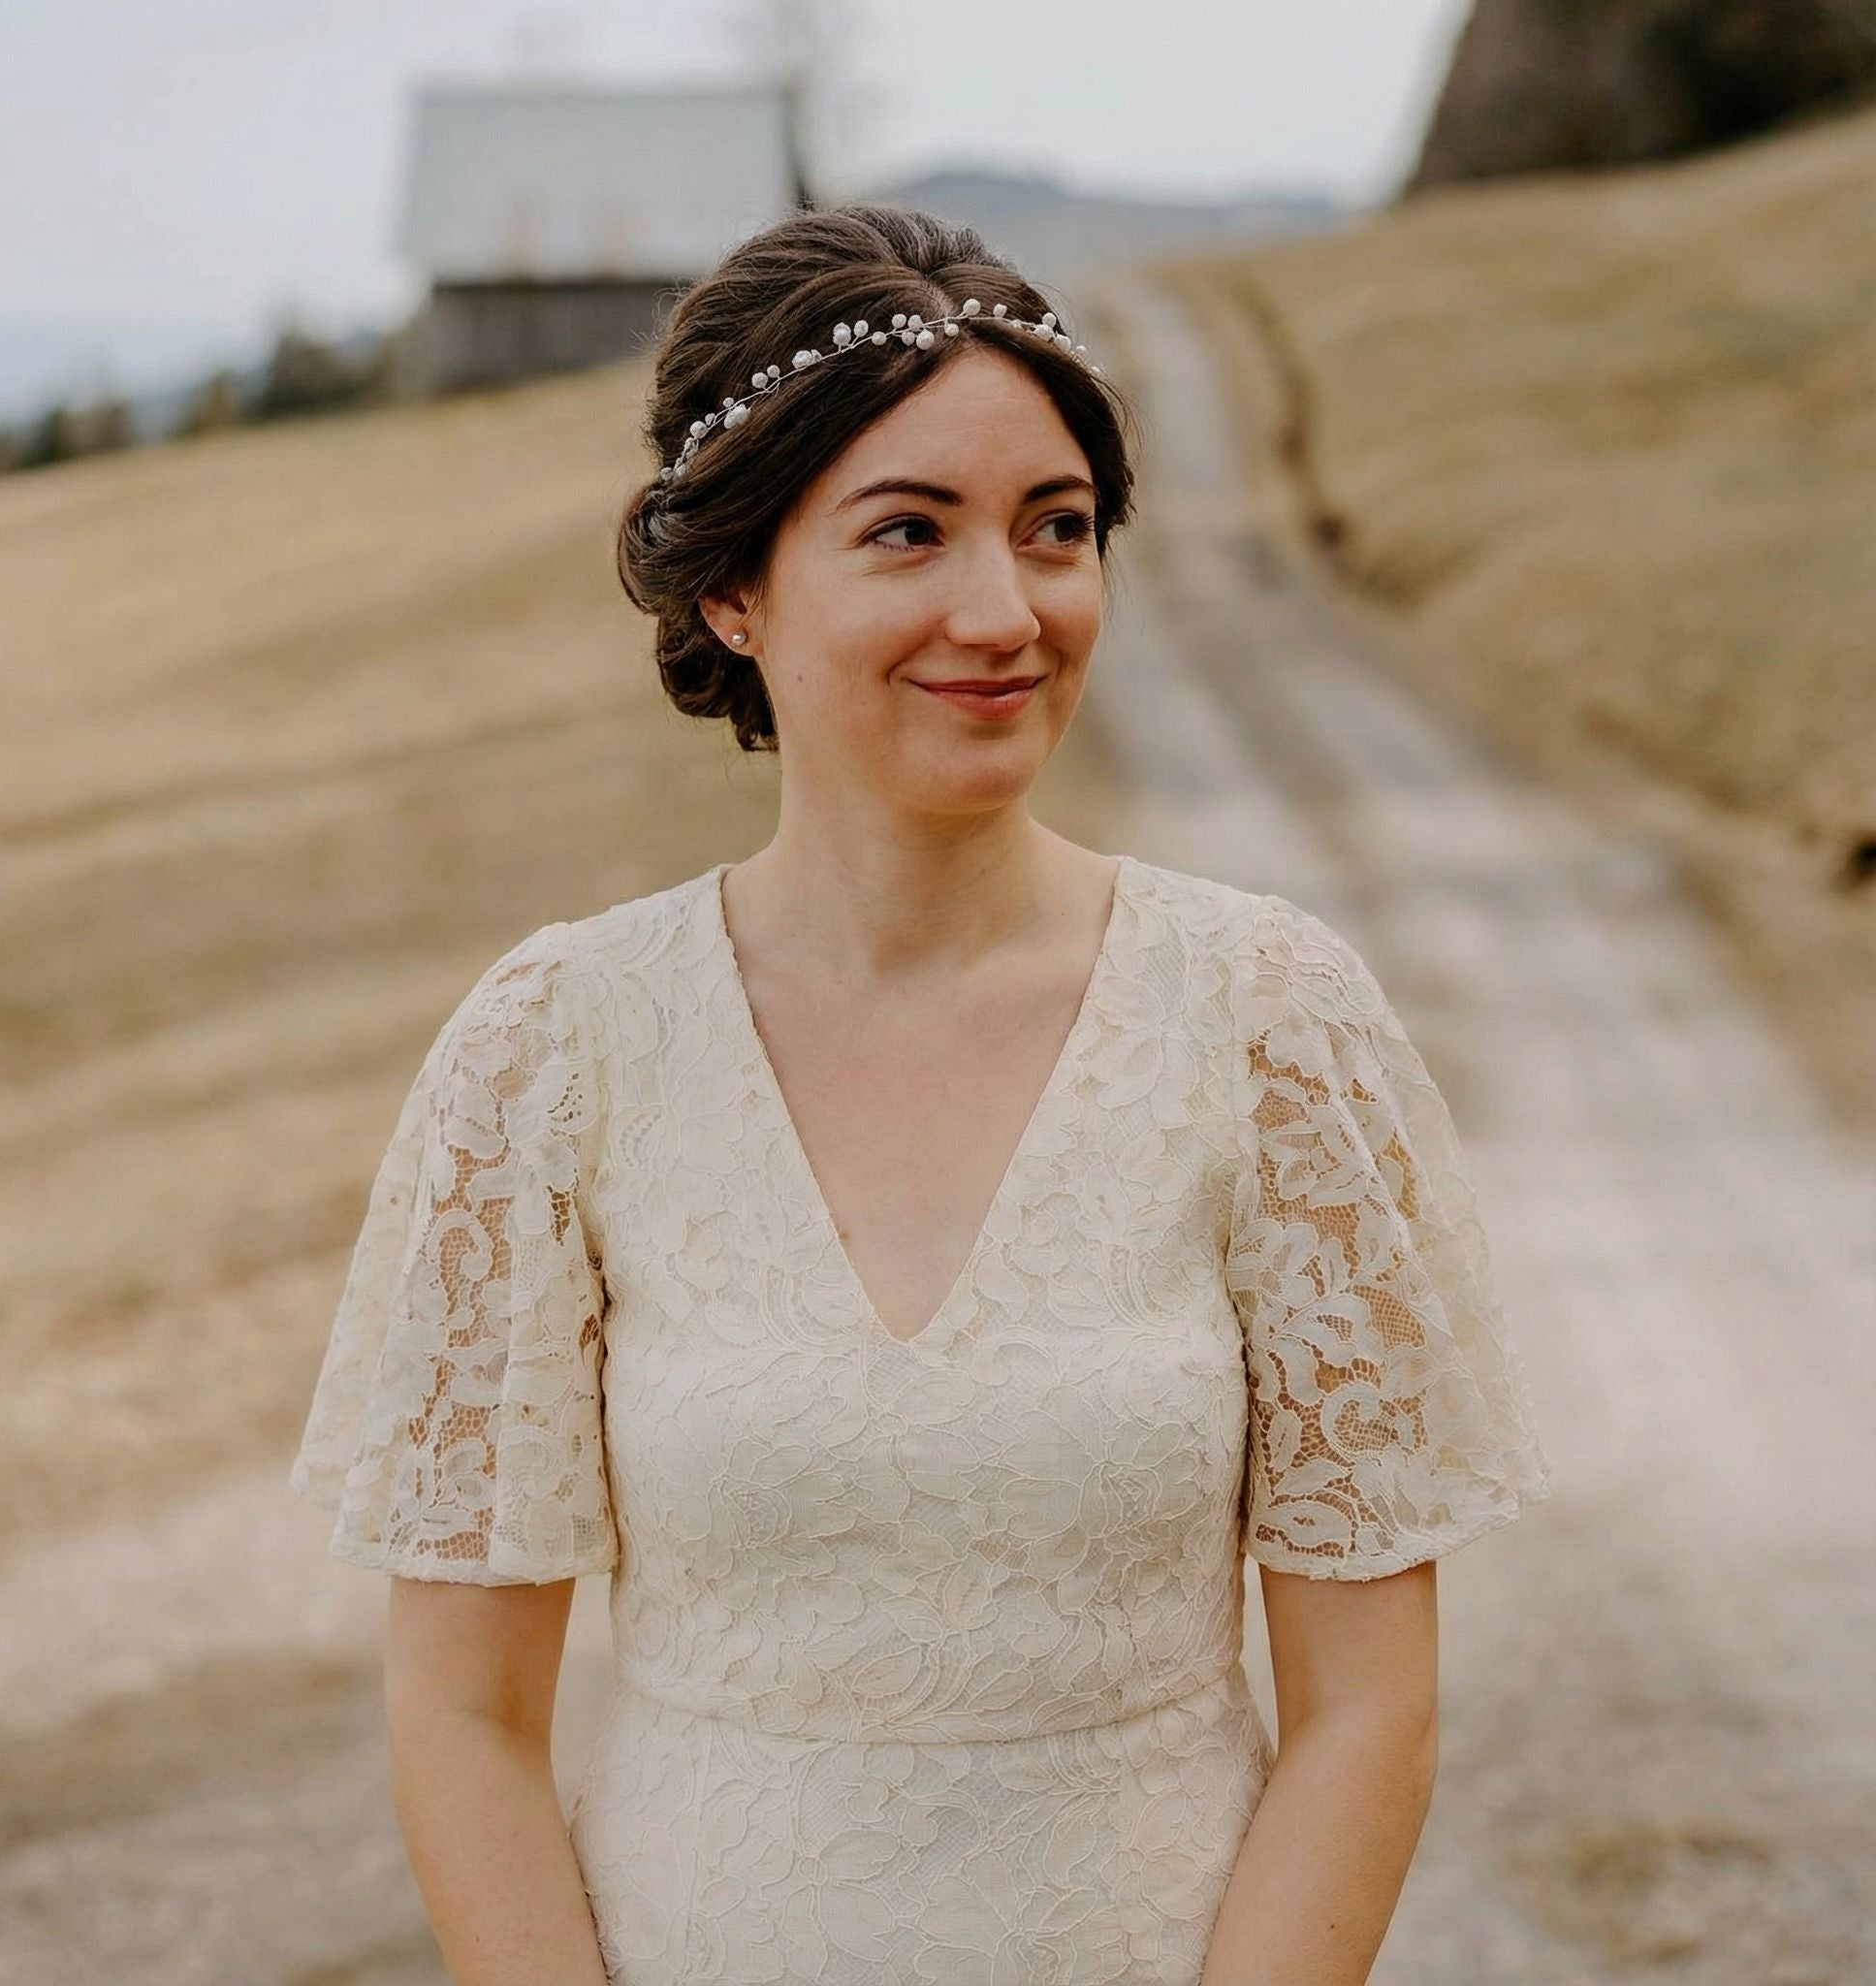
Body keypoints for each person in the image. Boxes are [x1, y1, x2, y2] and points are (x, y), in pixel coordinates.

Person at [289, 202, 1552, 1985]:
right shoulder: (555, 1046)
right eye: (909, 532)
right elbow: (465, 1721)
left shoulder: (1267, 1021)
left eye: (1056, 531)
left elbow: (1367, 1713)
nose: (1005, 610)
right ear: (735, 588)